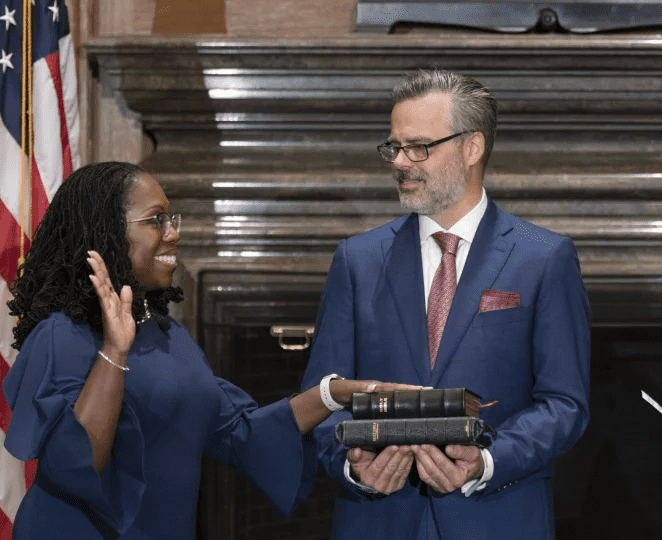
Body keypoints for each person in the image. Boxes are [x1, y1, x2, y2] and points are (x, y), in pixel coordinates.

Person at [2, 162, 419, 540]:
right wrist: (114, 350)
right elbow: (75, 467)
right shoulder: (61, 334)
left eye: (171, 219)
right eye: (155, 221)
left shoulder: (170, 336)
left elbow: (240, 434)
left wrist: (334, 394)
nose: (174, 233)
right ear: (107, 232)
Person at [301, 69, 591, 539]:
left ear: (471, 147)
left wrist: (487, 460)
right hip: (377, 521)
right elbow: (323, 396)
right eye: (394, 147)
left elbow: (565, 403)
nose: (400, 162)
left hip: (499, 517)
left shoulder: (545, 257)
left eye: (418, 147)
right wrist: (354, 467)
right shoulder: (356, 259)